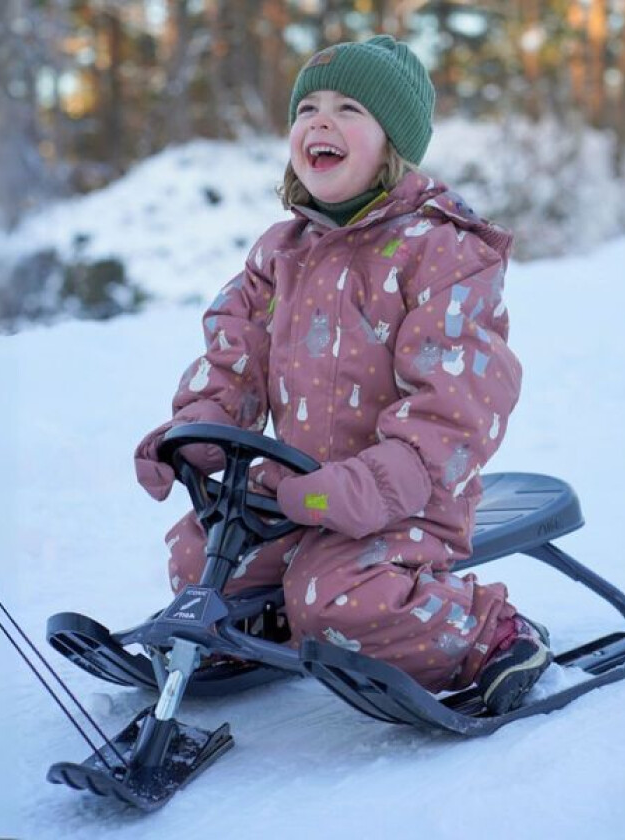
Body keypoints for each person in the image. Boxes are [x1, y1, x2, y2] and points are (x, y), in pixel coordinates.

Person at [134, 35, 552, 714]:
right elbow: (231, 362)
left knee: (337, 596)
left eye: (349, 108)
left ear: (393, 143)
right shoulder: (280, 254)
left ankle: (488, 635)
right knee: (200, 560)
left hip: (405, 497)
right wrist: (195, 432)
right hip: (297, 489)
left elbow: (457, 407)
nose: (320, 122)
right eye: (308, 109)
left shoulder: (442, 251)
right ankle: (262, 624)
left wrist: (374, 483)